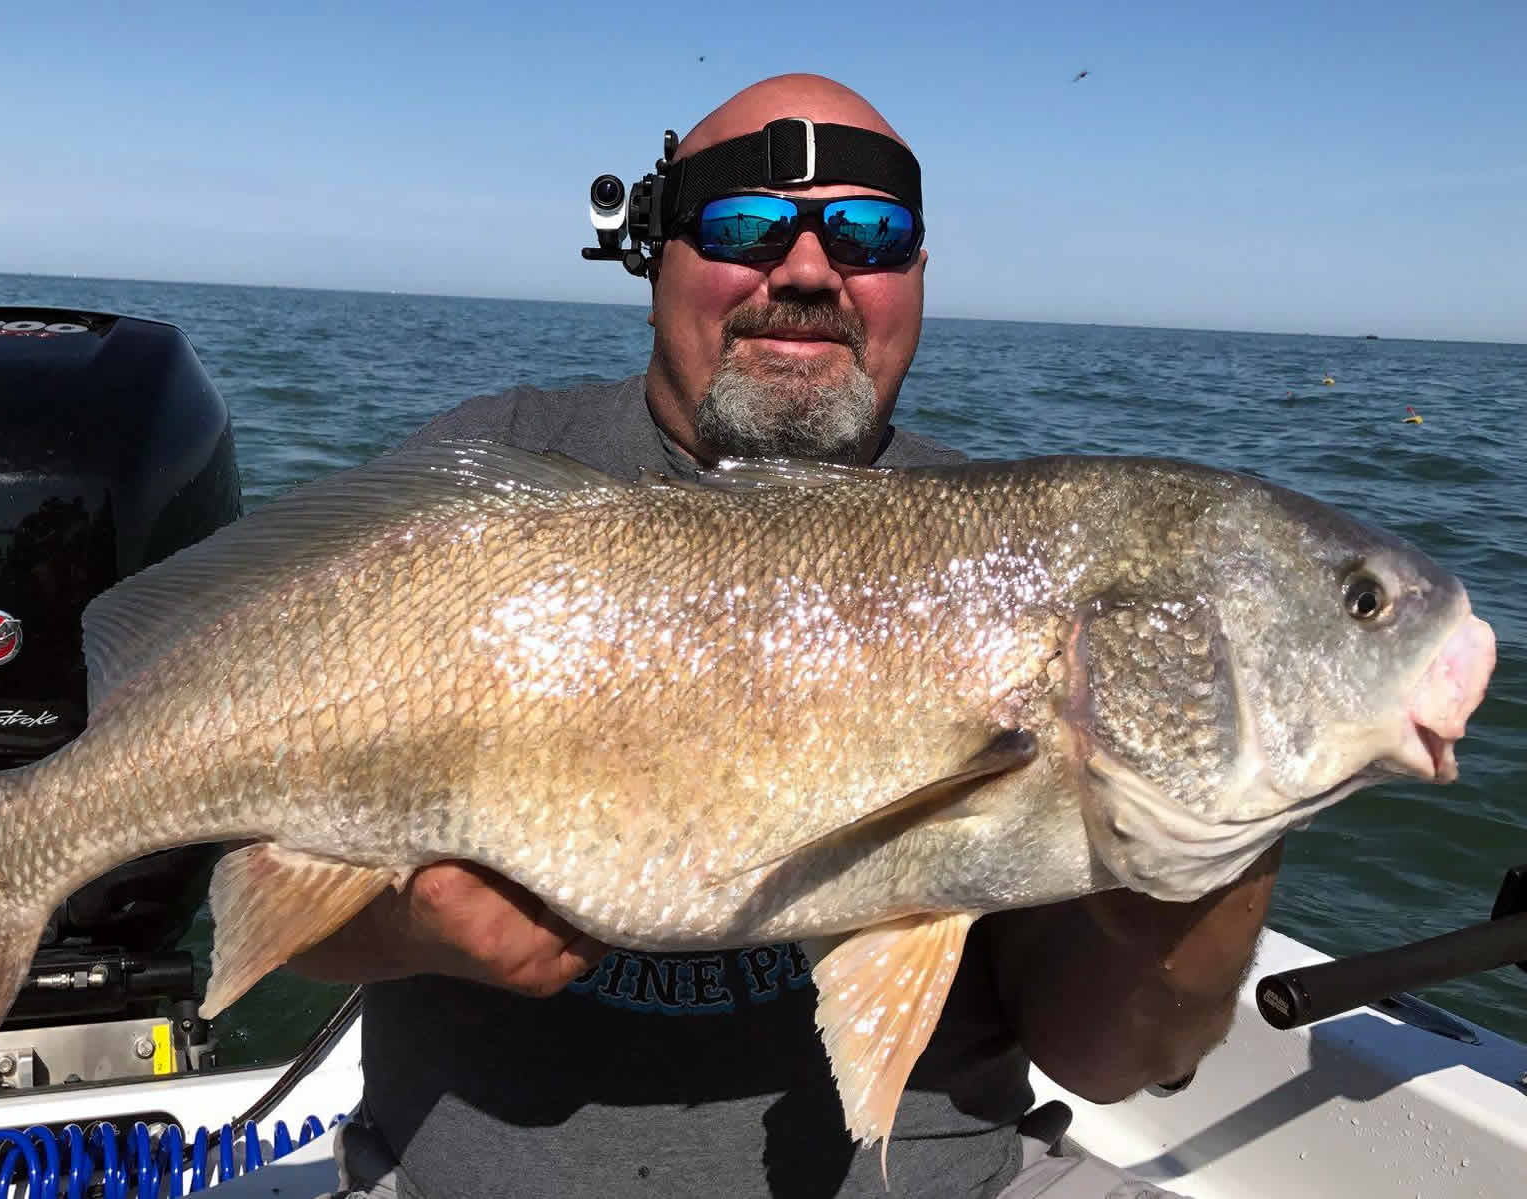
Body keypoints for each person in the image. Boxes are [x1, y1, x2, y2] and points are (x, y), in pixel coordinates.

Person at [291, 73, 1280, 1199]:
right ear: (655, 255)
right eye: (743, 226)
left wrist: (1223, 818)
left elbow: (1113, 1057)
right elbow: (250, 877)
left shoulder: (1022, 555)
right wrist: (401, 930)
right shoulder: (480, 488)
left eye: (870, 233)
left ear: (916, 279)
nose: (808, 269)